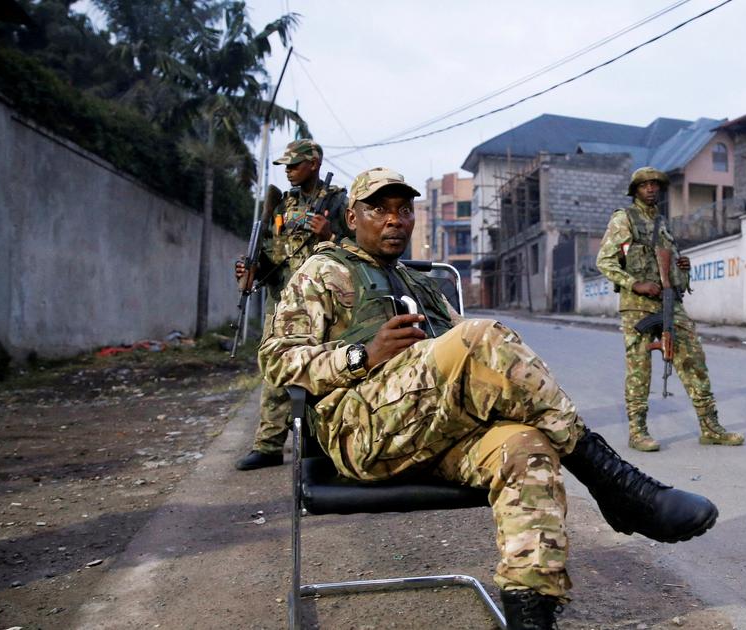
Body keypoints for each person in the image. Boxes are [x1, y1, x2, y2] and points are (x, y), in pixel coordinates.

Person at [259, 167, 719, 629]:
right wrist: (363, 354)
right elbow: (277, 361)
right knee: (479, 337)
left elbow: (479, 357)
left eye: (404, 210)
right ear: (352, 218)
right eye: (379, 209)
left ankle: (531, 615)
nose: (395, 219)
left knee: (526, 448)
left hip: (438, 431)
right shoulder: (323, 272)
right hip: (366, 433)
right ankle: (617, 484)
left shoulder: (420, 284)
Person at [595, 167, 744, 452]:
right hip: (637, 305)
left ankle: (710, 426)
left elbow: (666, 263)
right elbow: (604, 261)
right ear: (635, 190)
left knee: (693, 360)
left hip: (669, 301)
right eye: (644, 185)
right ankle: (638, 432)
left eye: (655, 184)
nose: (651, 189)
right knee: (639, 367)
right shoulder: (624, 218)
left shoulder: (662, 223)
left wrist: (682, 268)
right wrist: (635, 284)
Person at [234, 139, 349, 471]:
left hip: (326, 302)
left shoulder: (338, 202)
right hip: (284, 301)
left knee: (328, 371)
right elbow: (272, 255)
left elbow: (359, 249)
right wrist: (251, 268)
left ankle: (328, 445)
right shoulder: (282, 205)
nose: (288, 171)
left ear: (314, 163)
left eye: (294, 165)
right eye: (286, 166)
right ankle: (268, 446)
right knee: (276, 372)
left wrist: (330, 235)